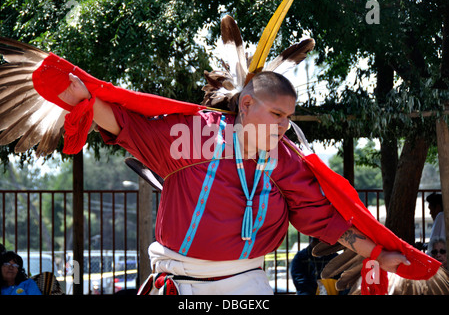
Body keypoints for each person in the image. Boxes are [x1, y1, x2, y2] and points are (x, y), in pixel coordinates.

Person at [59, 71, 410, 295]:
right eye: (276, 114)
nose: (285, 126)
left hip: (246, 290)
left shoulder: (285, 159)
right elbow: (126, 123)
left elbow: (320, 218)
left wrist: (380, 254)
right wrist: (85, 98)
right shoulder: (190, 136)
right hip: (175, 284)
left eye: (289, 118)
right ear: (245, 104)